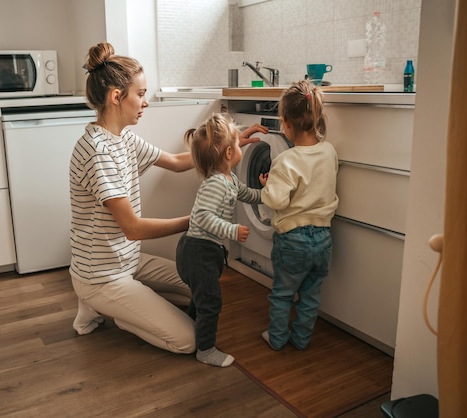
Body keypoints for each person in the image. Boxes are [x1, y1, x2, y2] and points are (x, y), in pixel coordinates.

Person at [69, 42, 264, 354]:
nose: (146, 102)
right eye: (141, 94)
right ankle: (107, 307)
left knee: (201, 287)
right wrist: (197, 221)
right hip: (101, 275)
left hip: (128, 261)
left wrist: (228, 143)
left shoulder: (123, 138)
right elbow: (133, 229)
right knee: (188, 341)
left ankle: (116, 303)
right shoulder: (98, 152)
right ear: (117, 97)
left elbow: (175, 163)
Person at [176, 113, 267, 367]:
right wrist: (232, 230)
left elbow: (248, 195)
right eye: (237, 144)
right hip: (198, 252)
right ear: (228, 154)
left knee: (201, 297)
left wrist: (267, 193)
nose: (240, 146)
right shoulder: (216, 183)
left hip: (203, 251)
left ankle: (193, 329)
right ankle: (205, 350)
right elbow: (203, 217)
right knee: (211, 302)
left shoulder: (229, 179)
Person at [259, 79, 339, 351]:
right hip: (324, 238)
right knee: (310, 295)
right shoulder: (329, 151)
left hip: (293, 240)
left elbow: (276, 199)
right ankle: (302, 340)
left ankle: (278, 338)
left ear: (285, 123)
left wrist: (267, 186)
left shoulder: (286, 160)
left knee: (282, 294)